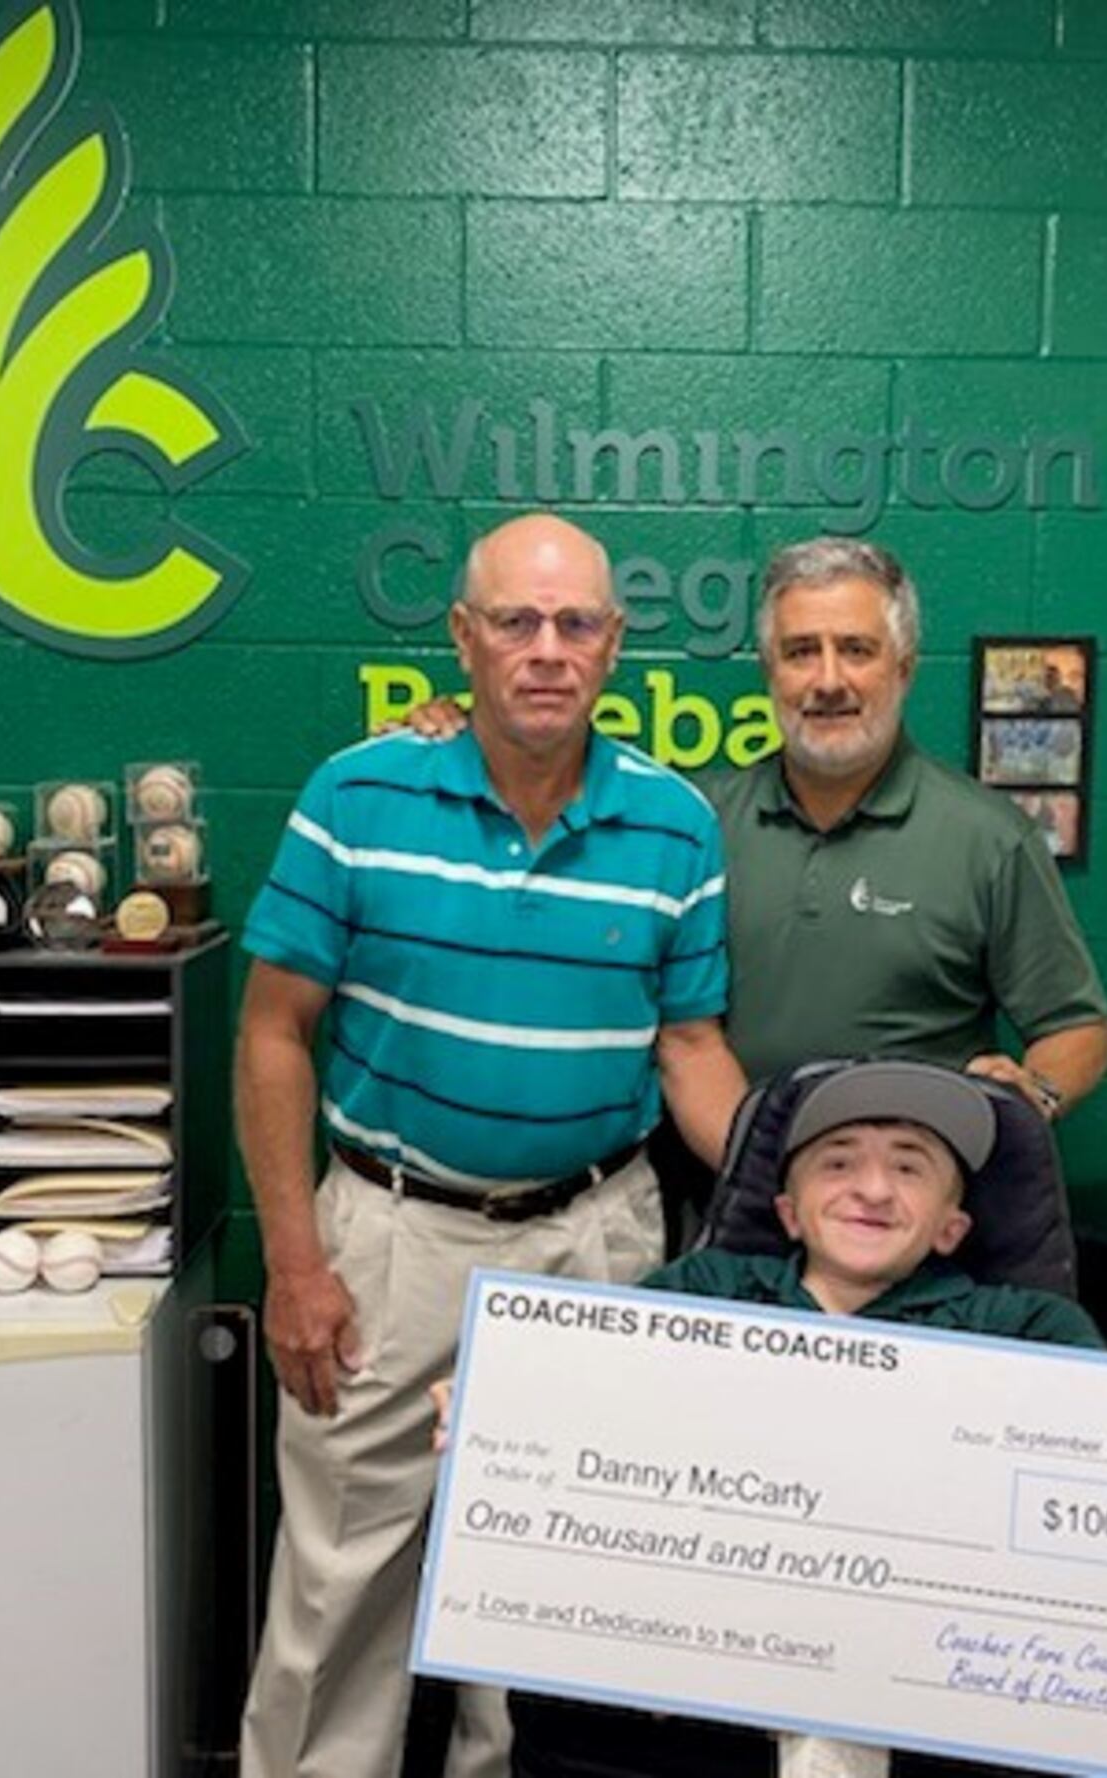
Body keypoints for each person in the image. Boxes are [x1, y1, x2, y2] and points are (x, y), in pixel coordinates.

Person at [236, 511, 748, 1778]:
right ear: (462, 637)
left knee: (562, 1587)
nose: (546, 649)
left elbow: (689, 1046)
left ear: (614, 646)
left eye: (576, 623)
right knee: (336, 1582)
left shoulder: (674, 826)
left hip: (596, 1237)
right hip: (391, 1238)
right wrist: (295, 1263)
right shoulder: (355, 795)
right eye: (515, 620)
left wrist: (792, 1186)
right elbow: (271, 1035)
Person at [434, 1060, 1104, 1778]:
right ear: (787, 1212)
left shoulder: (1030, 1329)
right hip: (704, 1690)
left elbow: (1104, 1477)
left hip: (929, 1687)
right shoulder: (702, 1294)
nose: (873, 1189)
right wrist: (494, 1414)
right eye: (838, 1163)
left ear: (951, 1226)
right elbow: (574, 1405)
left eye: (909, 1169)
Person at [400, 537, 1107, 1128]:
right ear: (769, 671)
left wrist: (1035, 1093)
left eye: (857, 650)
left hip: (906, 1216)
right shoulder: (691, 821)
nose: (828, 680)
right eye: (802, 651)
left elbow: (1080, 1028)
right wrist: (466, 731)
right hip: (721, 1203)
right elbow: (547, 771)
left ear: (904, 668)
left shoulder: (987, 837)